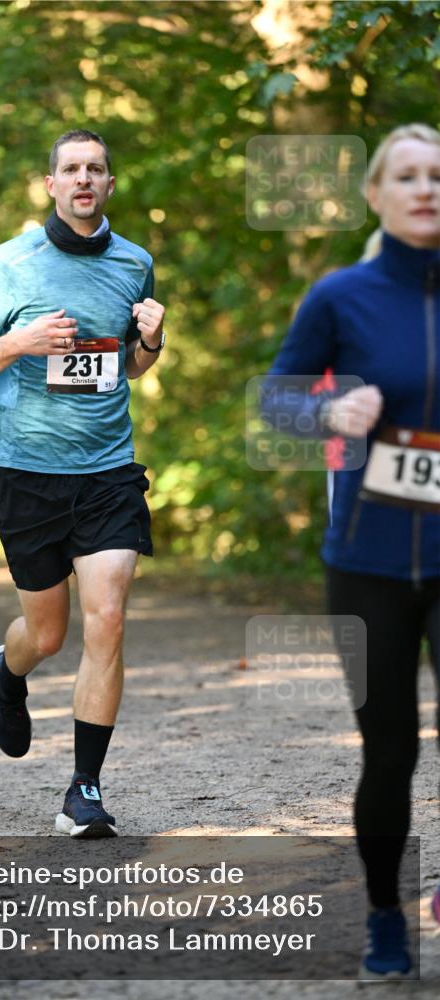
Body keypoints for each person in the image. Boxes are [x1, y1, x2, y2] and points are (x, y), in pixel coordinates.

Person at [0, 130, 165, 838]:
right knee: (46, 636)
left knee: (108, 619)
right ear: (50, 184)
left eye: (95, 169)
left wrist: (152, 341)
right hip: (27, 475)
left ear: (109, 184)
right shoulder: (11, 264)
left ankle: (84, 790)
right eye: (70, 169)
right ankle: (7, 676)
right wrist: (21, 342)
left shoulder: (134, 263)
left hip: (107, 472)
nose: (83, 179)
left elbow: (128, 368)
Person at [262, 124, 439, 979]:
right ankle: (383, 919)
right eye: (406, 176)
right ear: (375, 194)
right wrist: (326, 414)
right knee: (390, 749)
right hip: (366, 561)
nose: (424, 188)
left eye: (436, 175)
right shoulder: (341, 297)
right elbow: (275, 400)